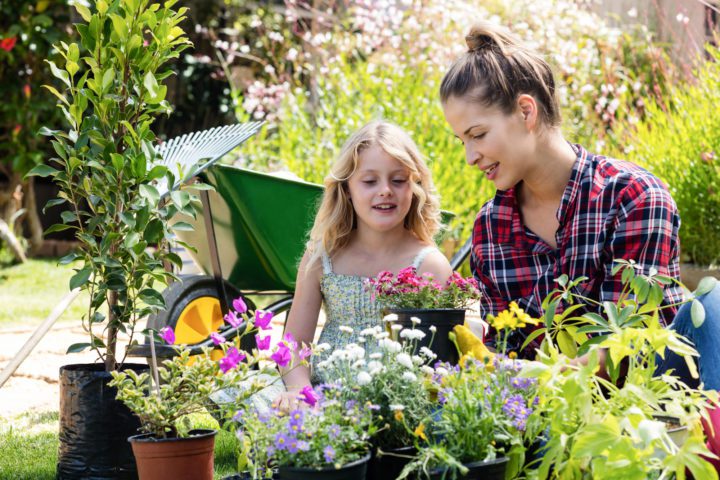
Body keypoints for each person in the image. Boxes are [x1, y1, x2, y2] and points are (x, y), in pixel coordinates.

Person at [439, 21, 720, 389]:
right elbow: (501, 348)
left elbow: (631, 345)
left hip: (650, 410)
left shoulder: (632, 197)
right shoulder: (491, 227)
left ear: (526, 112)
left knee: (712, 302)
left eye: (477, 135)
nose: (470, 157)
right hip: (548, 423)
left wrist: (532, 377)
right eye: (462, 141)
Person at [274, 120, 453, 410]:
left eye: (398, 180)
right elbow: (293, 344)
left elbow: (436, 362)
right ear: (346, 189)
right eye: (370, 182)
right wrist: (301, 393)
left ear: (414, 187)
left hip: (395, 406)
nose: (385, 191)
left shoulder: (428, 265)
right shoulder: (323, 258)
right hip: (321, 396)